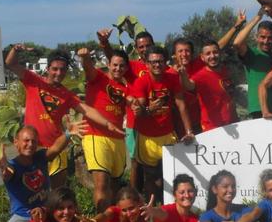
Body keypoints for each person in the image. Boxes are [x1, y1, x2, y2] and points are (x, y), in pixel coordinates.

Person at [5, 46, 123, 188]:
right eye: (55, 69)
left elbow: (86, 110)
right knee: (31, 190)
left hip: (56, 147)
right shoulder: (33, 81)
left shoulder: (67, 95)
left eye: (62, 69)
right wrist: (15, 49)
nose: (58, 73)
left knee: (57, 193)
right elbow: (10, 64)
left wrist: (108, 124)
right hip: (31, 147)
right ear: (48, 68)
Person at [0, 122, 86, 222]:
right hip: (22, 216)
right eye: (26, 140)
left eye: (34, 141)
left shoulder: (40, 157)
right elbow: (7, 172)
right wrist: (2, 161)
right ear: (16, 142)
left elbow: (55, 148)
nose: (30, 144)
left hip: (47, 212)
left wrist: (68, 133)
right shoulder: (12, 166)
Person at [129, 45, 194, 202]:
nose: (157, 65)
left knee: (171, 173)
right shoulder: (141, 82)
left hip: (168, 134)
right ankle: (152, 208)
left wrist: (189, 131)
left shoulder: (172, 79)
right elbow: (140, 111)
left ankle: (168, 206)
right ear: (147, 64)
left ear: (165, 63)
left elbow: (181, 104)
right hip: (148, 138)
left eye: (160, 61)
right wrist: (148, 110)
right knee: (151, 176)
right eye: (153, 62)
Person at [170, 11, 247, 133]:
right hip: (181, 123)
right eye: (180, 51)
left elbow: (218, 46)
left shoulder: (198, 64)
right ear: (174, 54)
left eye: (187, 51)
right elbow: (188, 85)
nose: (184, 54)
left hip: (202, 121)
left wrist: (236, 26)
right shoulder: (168, 73)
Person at [99, 28, 153, 192]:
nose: (145, 49)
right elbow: (114, 59)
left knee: (154, 164)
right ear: (136, 49)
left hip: (158, 123)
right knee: (136, 163)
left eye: (148, 45)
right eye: (141, 47)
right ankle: (134, 197)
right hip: (135, 123)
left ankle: (154, 198)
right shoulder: (133, 66)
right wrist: (105, 43)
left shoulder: (160, 64)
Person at [77, 46, 130, 211]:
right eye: (115, 65)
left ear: (126, 68)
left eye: (121, 66)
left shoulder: (126, 87)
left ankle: (113, 220)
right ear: (108, 65)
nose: (118, 68)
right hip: (96, 135)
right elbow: (88, 68)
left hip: (118, 139)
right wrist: (85, 57)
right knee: (101, 183)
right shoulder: (98, 78)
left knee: (115, 184)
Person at [232, 8, 272, 118]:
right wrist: (258, 17)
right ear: (256, 37)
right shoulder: (252, 55)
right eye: (262, 37)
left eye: (270, 38)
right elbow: (237, 43)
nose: (266, 41)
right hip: (259, 111)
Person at [177, 40, 238, 131]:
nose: (212, 56)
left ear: (220, 53)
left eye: (215, 52)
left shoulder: (225, 70)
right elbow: (189, 85)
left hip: (233, 123)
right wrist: (183, 75)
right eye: (208, 54)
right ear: (202, 57)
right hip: (212, 127)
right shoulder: (201, 76)